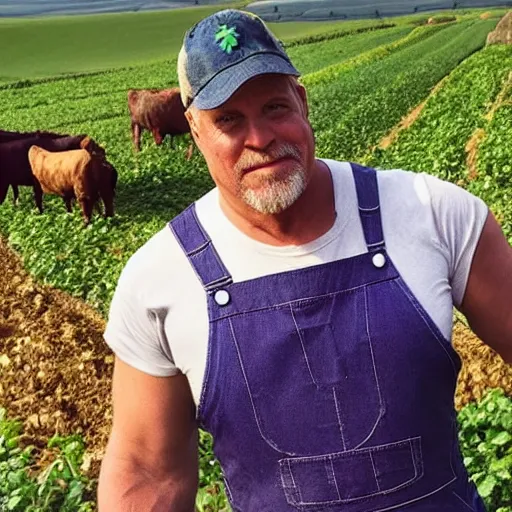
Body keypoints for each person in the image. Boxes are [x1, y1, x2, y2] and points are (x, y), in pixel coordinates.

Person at [97, 8, 512, 512]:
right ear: (195, 129)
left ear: (303, 102)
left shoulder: (435, 214)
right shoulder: (158, 280)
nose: (260, 138)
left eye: (275, 107)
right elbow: (148, 475)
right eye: (228, 119)